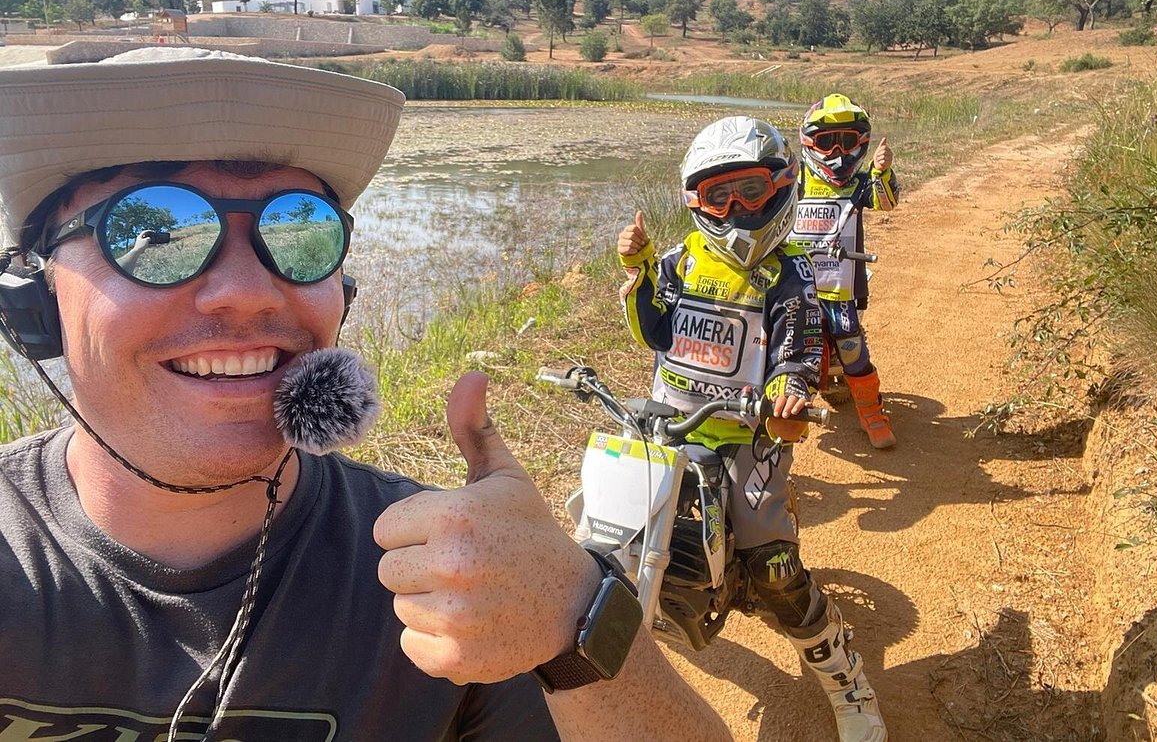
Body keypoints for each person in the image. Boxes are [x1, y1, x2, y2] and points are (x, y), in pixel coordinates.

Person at [0, 47, 732, 742]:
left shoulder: (441, 571)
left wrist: (576, 616)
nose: (249, 292)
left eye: (299, 228)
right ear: (35, 301)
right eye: (152, 230)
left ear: (342, 293)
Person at [617, 116, 887, 742]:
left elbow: (798, 350)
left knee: (771, 565)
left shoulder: (791, 274)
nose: (736, 209)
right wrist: (641, 270)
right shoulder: (682, 261)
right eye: (719, 196)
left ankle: (844, 678)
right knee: (615, 532)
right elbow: (653, 331)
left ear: (780, 186)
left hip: (747, 437)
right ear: (696, 201)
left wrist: (788, 392)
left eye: (749, 190)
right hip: (670, 426)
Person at [786, 93, 899, 449]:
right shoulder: (796, 181)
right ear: (810, 143)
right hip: (795, 281)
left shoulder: (860, 183)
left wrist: (882, 171)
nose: (837, 151)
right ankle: (784, 411)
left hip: (841, 285)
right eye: (827, 141)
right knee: (781, 343)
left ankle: (872, 412)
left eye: (846, 141)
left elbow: (886, 202)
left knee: (850, 344)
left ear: (861, 143)